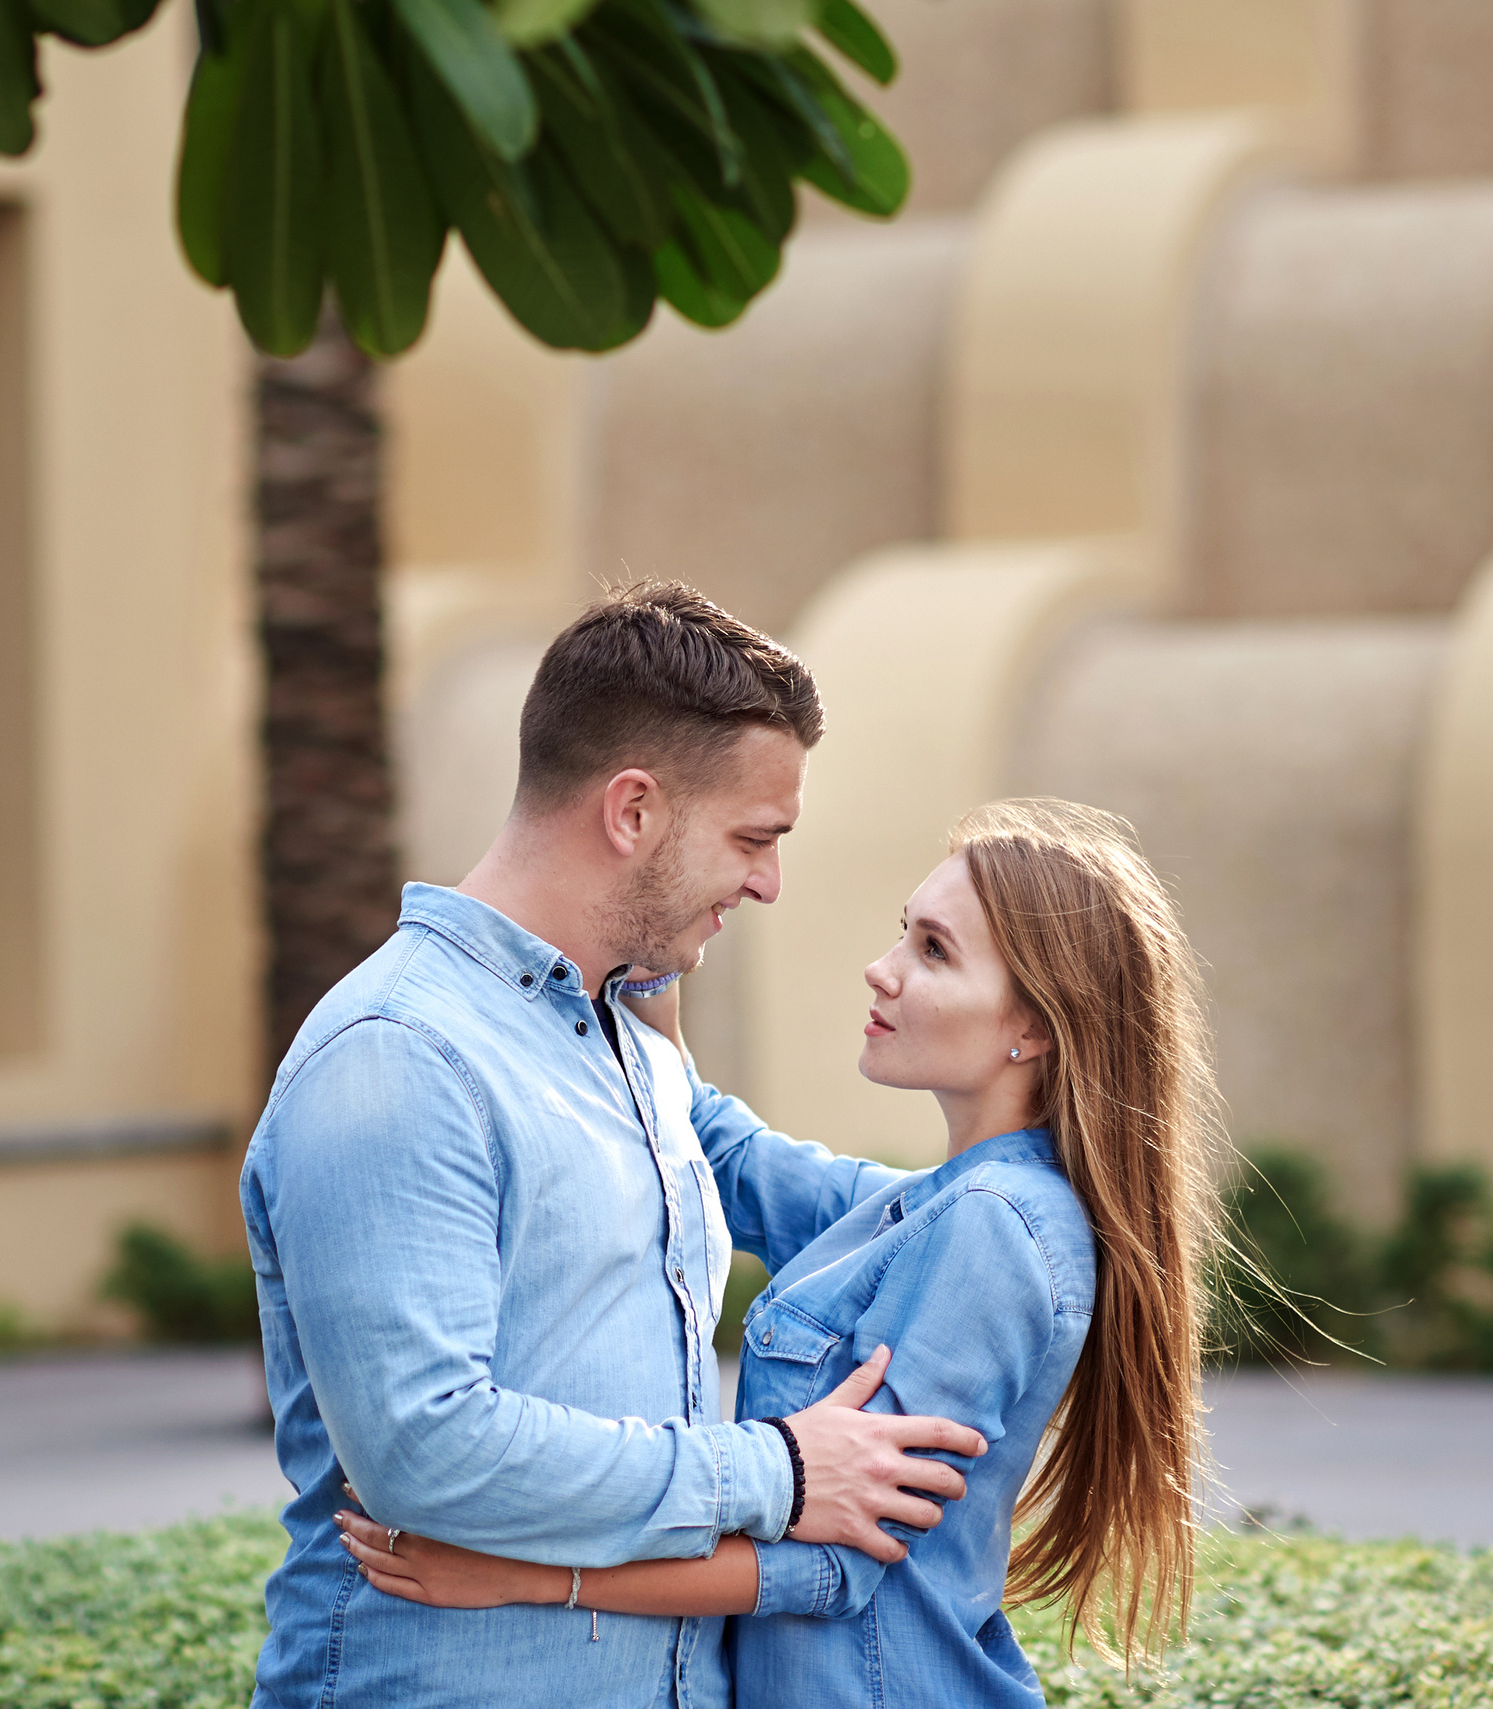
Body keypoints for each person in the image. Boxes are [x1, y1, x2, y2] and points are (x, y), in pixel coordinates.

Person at [239, 584, 990, 1709]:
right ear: (632, 810)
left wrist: (1023, 1190)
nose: (767, 882)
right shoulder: (399, 1057)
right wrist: (780, 1469)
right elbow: (424, 1448)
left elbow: (781, 1183)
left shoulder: (616, 1027)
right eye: (752, 837)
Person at [338, 799, 1221, 1708]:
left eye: (933, 951)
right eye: (901, 935)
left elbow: (835, 1564)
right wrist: (644, 955)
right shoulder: (931, 1206)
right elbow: (732, 1159)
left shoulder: (994, 1228)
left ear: (1031, 1027)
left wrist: (527, 1575)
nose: (881, 971)